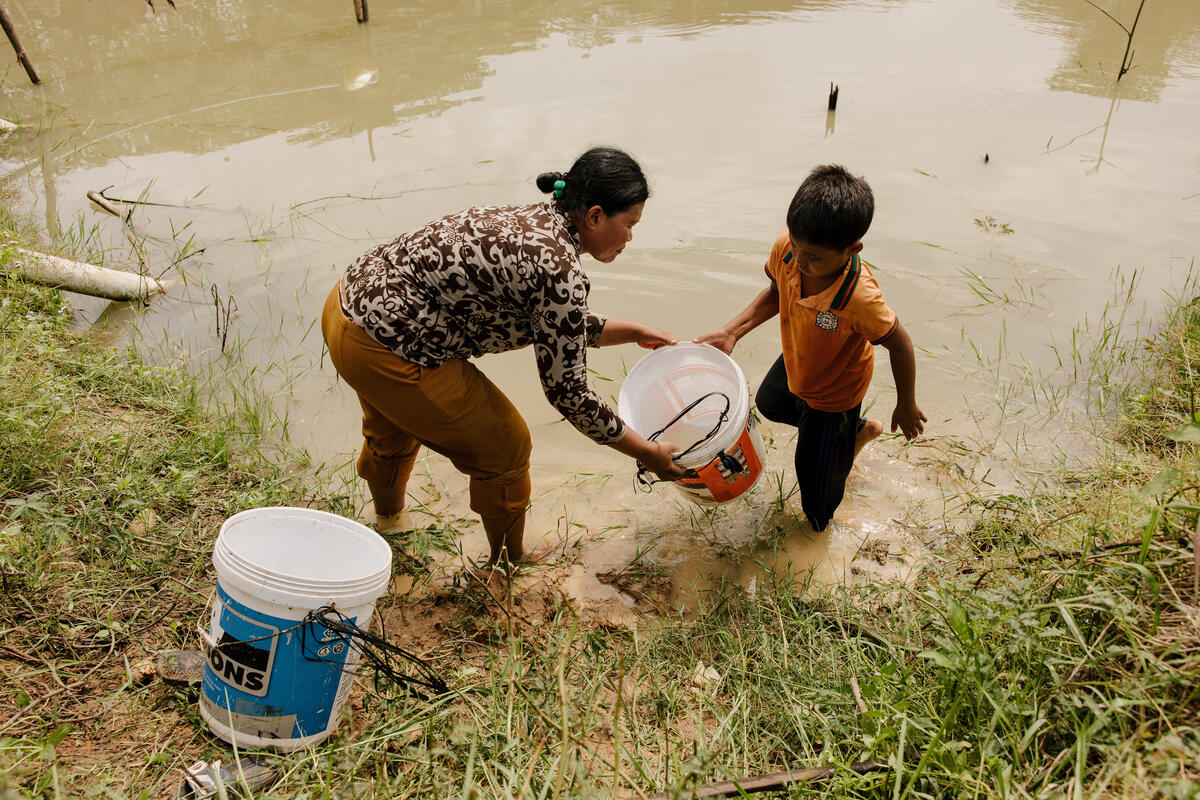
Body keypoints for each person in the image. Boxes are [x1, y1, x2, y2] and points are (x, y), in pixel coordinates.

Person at [321, 146, 686, 564]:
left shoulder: (535, 220)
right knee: (505, 448)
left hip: (348, 310)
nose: (630, 238)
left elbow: (553, 322)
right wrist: (646, 452)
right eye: (630, 224)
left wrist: (635, 331)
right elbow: (568, 392)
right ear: (596, 215)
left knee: (393, 429)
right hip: (388, 346)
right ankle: (509, 565)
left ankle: (388, 525)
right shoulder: (561, 273)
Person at [696, 164, 926, 532]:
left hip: (834, 392)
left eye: (815, 257)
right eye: (798, 247)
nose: (801, 261)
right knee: (770, 402)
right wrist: (732, 331)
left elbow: (899, 342)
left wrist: (907, 402)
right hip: (798, 359)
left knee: (816, 507)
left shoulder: (860, 298)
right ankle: (850, 435)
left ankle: (837, 452)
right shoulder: (788, 248)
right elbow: (776, 292)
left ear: (852, 249)